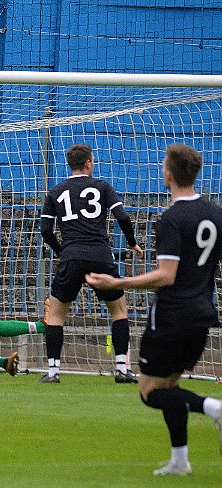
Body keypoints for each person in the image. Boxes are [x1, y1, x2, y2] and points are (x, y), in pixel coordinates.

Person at [86, 143, 222, 476]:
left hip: (173, 316)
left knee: (149, 392)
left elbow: (166, 276)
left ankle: (214, 408)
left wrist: (116, 283)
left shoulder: (172, 218)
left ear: (169, 173)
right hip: (202, 313)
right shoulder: (215, 212)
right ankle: (179, 460)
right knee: (170, 387)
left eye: (163, 165)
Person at [39, 143, 144, 383]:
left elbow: (45, 230)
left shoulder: (55, 192)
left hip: (71, 256)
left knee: (56, 315)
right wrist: (132, 243)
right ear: (88, 163)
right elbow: (123, 217)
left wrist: (62, 251)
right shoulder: (103, 187)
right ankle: (122, 369)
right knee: (118, 312)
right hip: (100, 255)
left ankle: (53, 372)